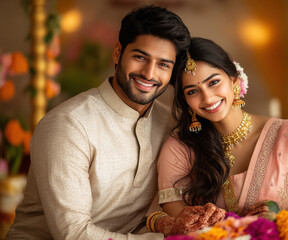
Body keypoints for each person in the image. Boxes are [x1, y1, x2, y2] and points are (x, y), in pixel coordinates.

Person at [6, 6, 223, 240]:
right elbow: (72, 233)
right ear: (118, 53)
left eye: (163, 64)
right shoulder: (68, 125)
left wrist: (176, 224)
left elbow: (150, 212)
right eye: (140, 57)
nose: (149, 74)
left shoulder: (168, 123)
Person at [153, 37, 288, 233]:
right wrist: (241, 227)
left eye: (214, 82)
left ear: (234, 80)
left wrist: (275, 220)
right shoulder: (180, 148)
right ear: (185, 101)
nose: (208, 97)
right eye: (193, 91)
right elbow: (183, 229)